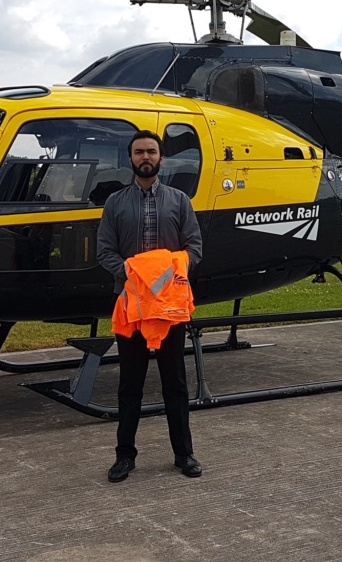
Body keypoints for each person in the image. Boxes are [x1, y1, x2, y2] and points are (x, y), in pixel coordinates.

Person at [97, 130, 204, 482]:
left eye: (152, 151)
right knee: (130, 384)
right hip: (132, 310)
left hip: (170, 311)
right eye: (139, 152)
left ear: (161, 158)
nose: (146, 157)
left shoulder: (179, 201)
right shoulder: (115, 203)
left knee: (175, 383)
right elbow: (105, 253)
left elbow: (194, 249)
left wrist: (170, 274)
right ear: (130, 158)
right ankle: (124, 456)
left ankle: (184, 454)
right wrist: (132, 274)